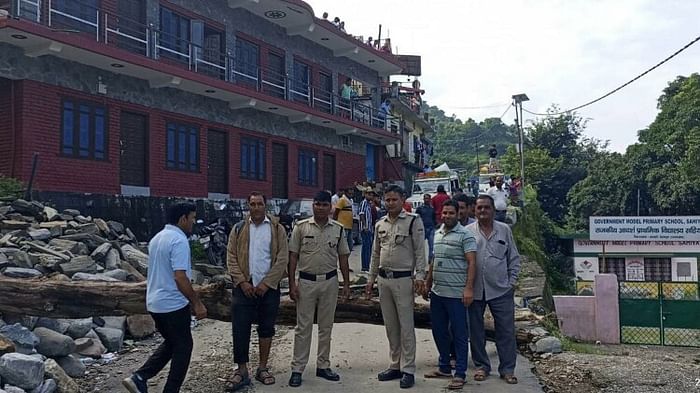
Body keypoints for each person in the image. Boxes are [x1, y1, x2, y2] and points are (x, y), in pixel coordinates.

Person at [123, 202, 207, 393]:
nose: (193, 222)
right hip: (172, 304)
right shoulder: (179, 240)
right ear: (182, 219)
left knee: (173, 343)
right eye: (192, 218)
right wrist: (197, 303)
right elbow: (180, 277)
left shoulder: (157, 238)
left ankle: (140, 377)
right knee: (184, 347)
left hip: (154, 303)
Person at [365, 185, 427, 389]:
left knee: (406, 326)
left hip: (403, 280)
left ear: (402, 200)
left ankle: (408, 369)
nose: (390, 203)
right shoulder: (379, 224)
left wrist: (420, 276)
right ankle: (395, 364)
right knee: (391, 325)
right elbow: (375, 253)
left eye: (394, 199)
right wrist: (370, 279)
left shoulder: (412, 221)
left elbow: (419, 251)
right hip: (384, 280)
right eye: (387, 200)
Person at [226, 192, 288, 391]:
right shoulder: (239, 229)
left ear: (265, 206)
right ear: (248, 206)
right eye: (252, 204)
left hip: (268, 289)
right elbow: (231, 258)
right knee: (240, 328)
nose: (256, 207)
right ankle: (241, 370)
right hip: (244, 288)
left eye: (259, 204)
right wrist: (242, 282)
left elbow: (282, 259)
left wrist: (267, 283)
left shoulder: (277, 229)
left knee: (267, 328)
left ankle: (262, 368)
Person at [288, 191, 351, 387]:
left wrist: (346, 284)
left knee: (326, 327)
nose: (321, 208)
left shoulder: (338, 229)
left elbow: (343, 258)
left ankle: (323, 365)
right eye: (318, 204)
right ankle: (298, 368)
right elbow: (293, 257)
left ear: (330, 207)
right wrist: (292, 283)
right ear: (313, 205)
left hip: (330, 282)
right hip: (306, 283)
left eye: (325, 205)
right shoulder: (300, 227)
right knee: (303, 327)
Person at [466, 195, 521, 385]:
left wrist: (511, 282)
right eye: (479, 208)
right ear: (475, 210)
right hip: (474, 290)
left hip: (501, 290)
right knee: (475, 331)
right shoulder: (467, 232)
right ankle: (481, 366)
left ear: (493, 210)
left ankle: (507, 369)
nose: (482, 211)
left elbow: (513, 258)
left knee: (506, 331)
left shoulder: (504, 230)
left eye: (486, 208)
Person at [423, 200, 476, 390]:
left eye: (450, 213)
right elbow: (434, 259)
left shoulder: (466, 235)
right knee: (439, 331)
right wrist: (428, 283)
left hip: (456, 294)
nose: (446, 216)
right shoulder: (436, 233)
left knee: (460, 334)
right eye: (444, 213)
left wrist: (469, 288)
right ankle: (444, 366)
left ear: (457, 214)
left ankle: (460, 373)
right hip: (438, 292)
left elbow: (471, 263)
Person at [359, 189, 376, 272]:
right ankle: (364, 267)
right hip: (365, 228)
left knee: (369, 248)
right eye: (369, 194)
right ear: (365, 194)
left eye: (371, 194)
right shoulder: (364, 203)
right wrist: (365, 225)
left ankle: (367, 266)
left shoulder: (369, 204)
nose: (370, 196)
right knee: (365, 248)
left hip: (369, 228)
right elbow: (361, 214)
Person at [415, 194, 436, 260]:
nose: (427, 200)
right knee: (419, 245)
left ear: (430, 199)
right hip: (422, 229)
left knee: (431, 246)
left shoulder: (432, 209)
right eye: (425, 198)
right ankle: (419, 259)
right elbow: (417, 217)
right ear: (423, 199)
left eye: (428, 198)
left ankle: (430, 260)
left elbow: (434, 218)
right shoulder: (420, 208)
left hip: (431, 228)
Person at [332, 188, 354, 253]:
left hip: (349, 226)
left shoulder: (350, 201)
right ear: (346, 193)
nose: (351, 195)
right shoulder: (342, 200)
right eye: (349, 193)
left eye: (352, 194)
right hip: (343, 225)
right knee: (343, 245)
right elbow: (336, 212)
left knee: (350, 246)